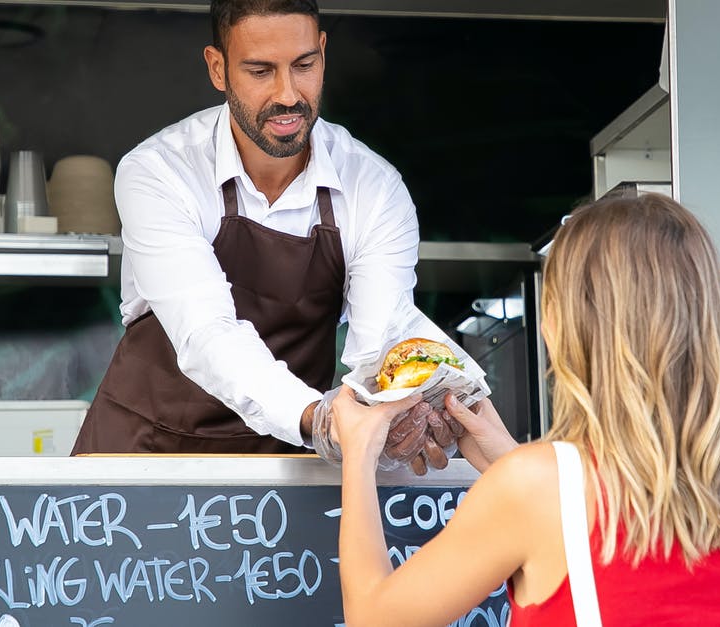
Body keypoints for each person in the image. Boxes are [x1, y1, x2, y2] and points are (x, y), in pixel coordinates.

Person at [332, 193, 720, 626]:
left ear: (563, 325)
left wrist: (358, 451)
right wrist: (510, 457)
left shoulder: (531, 489)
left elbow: (374, 617)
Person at [71, 0, 452, 471]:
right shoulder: (160, 171)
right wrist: (320, 418)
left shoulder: (373, 187)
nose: (288, 94)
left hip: (284, 466)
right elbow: (206, 331)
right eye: (260, 71)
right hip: (143, 453)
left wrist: (396, 417)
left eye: (304, 65)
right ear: (218, 68)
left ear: (323, 54)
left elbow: (377, 347)